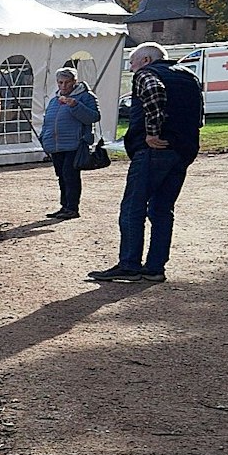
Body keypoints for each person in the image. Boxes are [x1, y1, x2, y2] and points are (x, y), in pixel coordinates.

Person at [89, 42, 204, 284]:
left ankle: (129, 265)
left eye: (132, 63)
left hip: (154, 149)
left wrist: (152, 132)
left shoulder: (147, 74)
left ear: (146, 60)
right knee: (162, 209)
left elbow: (154, 92)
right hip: (184, 149)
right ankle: (155, 267)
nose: (132, 68)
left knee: (133, 206)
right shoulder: (189, 76)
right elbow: (199, 116)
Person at [39, 66, 99, 220]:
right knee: (61, 176)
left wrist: (75, 106)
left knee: (70, 175)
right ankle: (64, 206)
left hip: (75, 144)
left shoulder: (86, 97)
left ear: (75, 81)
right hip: (56, 145)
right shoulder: (54, 99)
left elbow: (93, 117)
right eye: (60, 82)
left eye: (67, 82)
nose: (63, 86)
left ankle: (72, 208)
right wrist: (43, 138)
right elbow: (48, 121)